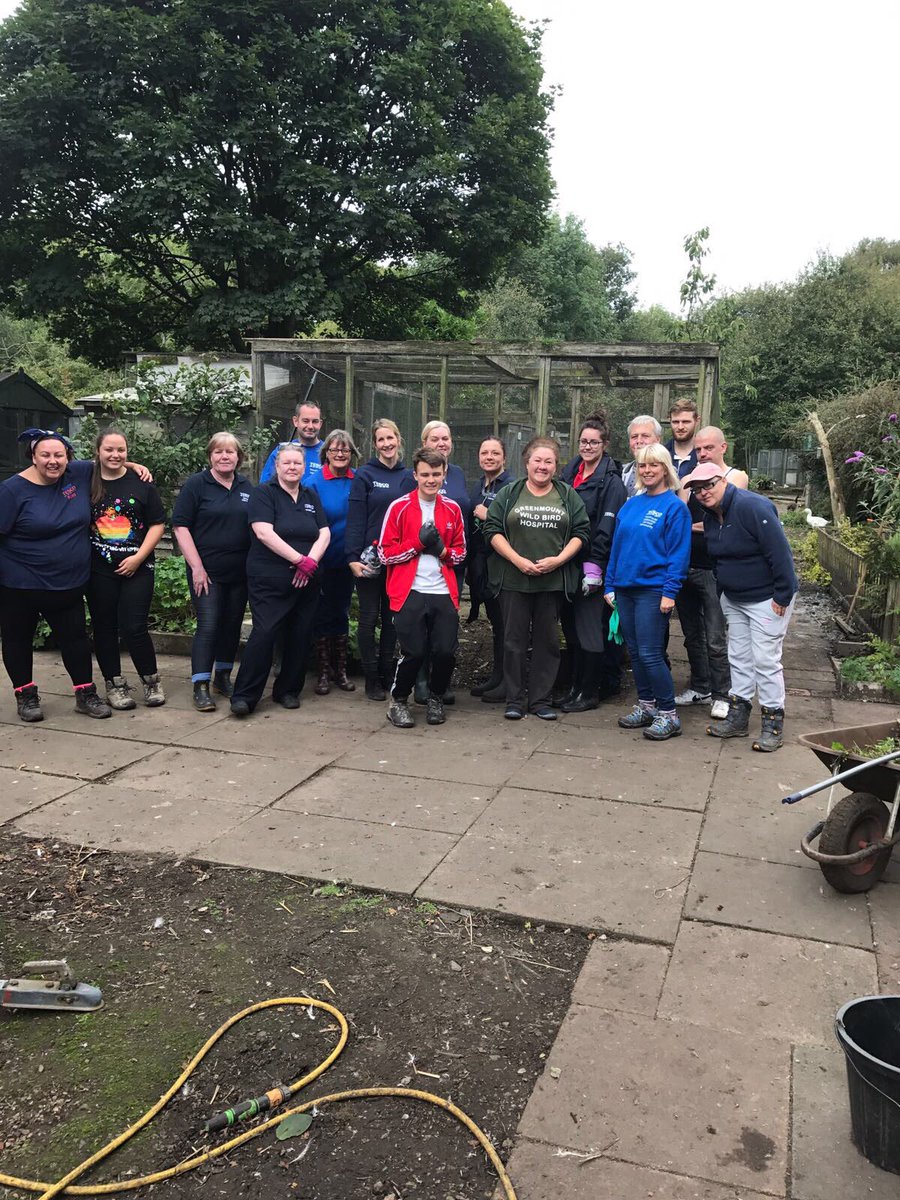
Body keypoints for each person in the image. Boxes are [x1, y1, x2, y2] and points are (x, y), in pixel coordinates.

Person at [0, 429, 147, 721]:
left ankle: (85, 693)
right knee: (17, 639)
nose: (53, 461)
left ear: (68, 457)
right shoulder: (12, 491)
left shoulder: (76, 474)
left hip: (68, 583)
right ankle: (25, 695)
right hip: (21, 584)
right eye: (45, 455)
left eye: (59, 455)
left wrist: (133, 465)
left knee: (76, 640)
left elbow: (107, 460)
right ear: (33, 457)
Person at [683, 462, 799, 752]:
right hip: (734, 598)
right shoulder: (711, 517)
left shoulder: (753, 507)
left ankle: (773, 722)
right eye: (697, 490)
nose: (703, 493)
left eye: (708, 485)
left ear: (723, 480)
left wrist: (783, 596)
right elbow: (717, 558)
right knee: (739, 657)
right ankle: (738, 715)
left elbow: (780, 553)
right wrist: (723, 593)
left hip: (767, 598)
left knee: (766, 660)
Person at [483, 437, 590, 721]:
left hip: (551, 583)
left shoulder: (567, 495)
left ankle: (540, 700)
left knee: (548, 642)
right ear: (527, 463)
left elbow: (581, 532)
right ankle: (515, 700)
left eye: (549, 461)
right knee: (513, 641)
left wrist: (559, 560)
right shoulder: (510, 493)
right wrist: (517, 560)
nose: (542, 466)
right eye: (537, 461)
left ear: (556, 466)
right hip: (514, 580)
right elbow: (492, 529)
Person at [230, 444, 330, 716]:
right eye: (287, 463)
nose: (292, 467)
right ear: (277, 466)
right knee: (264, 634)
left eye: (297, 463)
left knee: (300, 634)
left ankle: (287, 690)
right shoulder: (264, 494)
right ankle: (245, 696)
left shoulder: (310, 495)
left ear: (304, 466)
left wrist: (310, 563)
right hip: (270, 579)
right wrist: (298, 560)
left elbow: (324, 532)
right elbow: (263, 532)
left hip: (307, 580)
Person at [604, 445, 691, 742]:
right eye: (642, 465)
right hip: (625, 590)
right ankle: (647, 706)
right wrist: (610, 585)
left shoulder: (674, 507)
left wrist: (670, 592)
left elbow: (678, 554)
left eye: (654, 465)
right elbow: (617, 548)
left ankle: (669, 714)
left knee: (651, 654)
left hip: (653, 590)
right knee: (636, 653)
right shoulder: (631, 505)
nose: (647, 470)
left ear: (665, 469)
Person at [378, 447, 466, 728]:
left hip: (443, 590)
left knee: (445, 651)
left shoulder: (452, 509)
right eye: (425, 474)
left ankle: (436, 698)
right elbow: (385, 554)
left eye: (436, 474)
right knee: (413, 651)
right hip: (409, 590)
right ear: (415, 475)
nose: (431, 480)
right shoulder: (399, 507)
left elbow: (461, 553)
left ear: (444, 474)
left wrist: (442, 551)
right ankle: (399, 701)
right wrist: (417, 543)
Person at [86, 429, 167, 710]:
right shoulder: (86, 480)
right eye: (109, 449)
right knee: (104, 627)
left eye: (121, 450)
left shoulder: (141, 483)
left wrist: (138, 558)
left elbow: (157, 524)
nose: (115, 455)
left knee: (135, 626)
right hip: (99, 569)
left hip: (138, 568)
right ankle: (115, 684)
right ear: (98, 451)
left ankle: (151, 680)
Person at [172, 433, 252, 712]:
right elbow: (180, 527)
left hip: (239, 573)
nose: (224, 456)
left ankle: (223, 677)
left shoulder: (246, 486)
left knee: (231, 625)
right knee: (208, 625)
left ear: (238, 457)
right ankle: (201, 685)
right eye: (218, 451)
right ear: (210, 456)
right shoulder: (196, 485)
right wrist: (197, 567)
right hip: (206, 573)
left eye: (230, 452)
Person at [674, 426, 747, 718]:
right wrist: (699, 526)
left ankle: (722, 694)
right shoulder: (687, 478)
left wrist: (699, 525)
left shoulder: (735, 477)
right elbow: (680, 518)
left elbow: (727, 519)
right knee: (691, 633)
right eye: (698, 449)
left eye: (709, 448)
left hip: (714, 569)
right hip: (685, 564)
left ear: (723, 447)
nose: (702, 453)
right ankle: (700, 686)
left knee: (715, 636)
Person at [559, 414, 627, 712]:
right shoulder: (569, 474)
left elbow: (607, 526)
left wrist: (596, 565)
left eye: (594, 442)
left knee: (590, 631)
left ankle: (589, 692)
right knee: (572, 630)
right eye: (583, 441)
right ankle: (574, 688)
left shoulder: (611, 482)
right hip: (566, 564)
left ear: (605, 444)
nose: (587, 447)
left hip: (591, 566)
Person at [345, 418, 409, 700]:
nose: (386, 444)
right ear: (374, 444)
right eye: (380, 439)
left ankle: (386, 674)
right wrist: (352, 558)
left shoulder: (409, 476)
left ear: (398, 439)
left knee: (392, 619)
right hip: (369, 559)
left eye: (390, 438)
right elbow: (355, 519)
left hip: (399, 560)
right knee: (369, 618)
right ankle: (371, 679)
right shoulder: (365, 475)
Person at [411, 420, 470, 704]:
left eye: (445, 438)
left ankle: (441, 682)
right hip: (420, 564)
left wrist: (450, 550)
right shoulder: (414, 475)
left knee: (446, 627)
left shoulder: (457, 474)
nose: (441, 443)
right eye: (435, 439)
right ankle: (421, 680)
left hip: (451, 562)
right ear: (424, 443)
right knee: (421, 625)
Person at [309, 429, 359, 695]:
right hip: (322, 561)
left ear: (352, 453)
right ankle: (323, 673)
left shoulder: (358, 480)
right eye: (334, 449)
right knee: (321, 614)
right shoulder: (313, 483)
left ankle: (340, 671)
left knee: (341, 612)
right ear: (325, 452)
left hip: (348, 560)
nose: (340, 454)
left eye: (345, 449)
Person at [467, 436, 512, 699]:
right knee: (496, 622)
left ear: (504, 457)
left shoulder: (511, 486)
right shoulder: (478, 485)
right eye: (485, 453)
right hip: (481, 564)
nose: (489, 457)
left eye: (495, 453)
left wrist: (490, 515)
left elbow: (516, 520)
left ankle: (509, 680)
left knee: (507, 624)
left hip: (502, 565)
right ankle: (497, 676)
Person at [259, 400, 324, 485]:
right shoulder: (281, 452)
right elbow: (265, 486)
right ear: (296, 421)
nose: (310, 426)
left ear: (320, 424)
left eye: (315, 421)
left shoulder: (329, 453)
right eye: (305, 421)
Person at [622, 415, 662, 497]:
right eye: (634, 437)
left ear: (658, 440)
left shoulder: (666, 474)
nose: (639, 441)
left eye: (645, 436)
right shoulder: (620, 472)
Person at [665, 399, 700, 479]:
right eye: (676, 422)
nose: (680, 427)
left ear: (697, 421)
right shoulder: (661, 454)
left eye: (686, 422)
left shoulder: (705, 456)